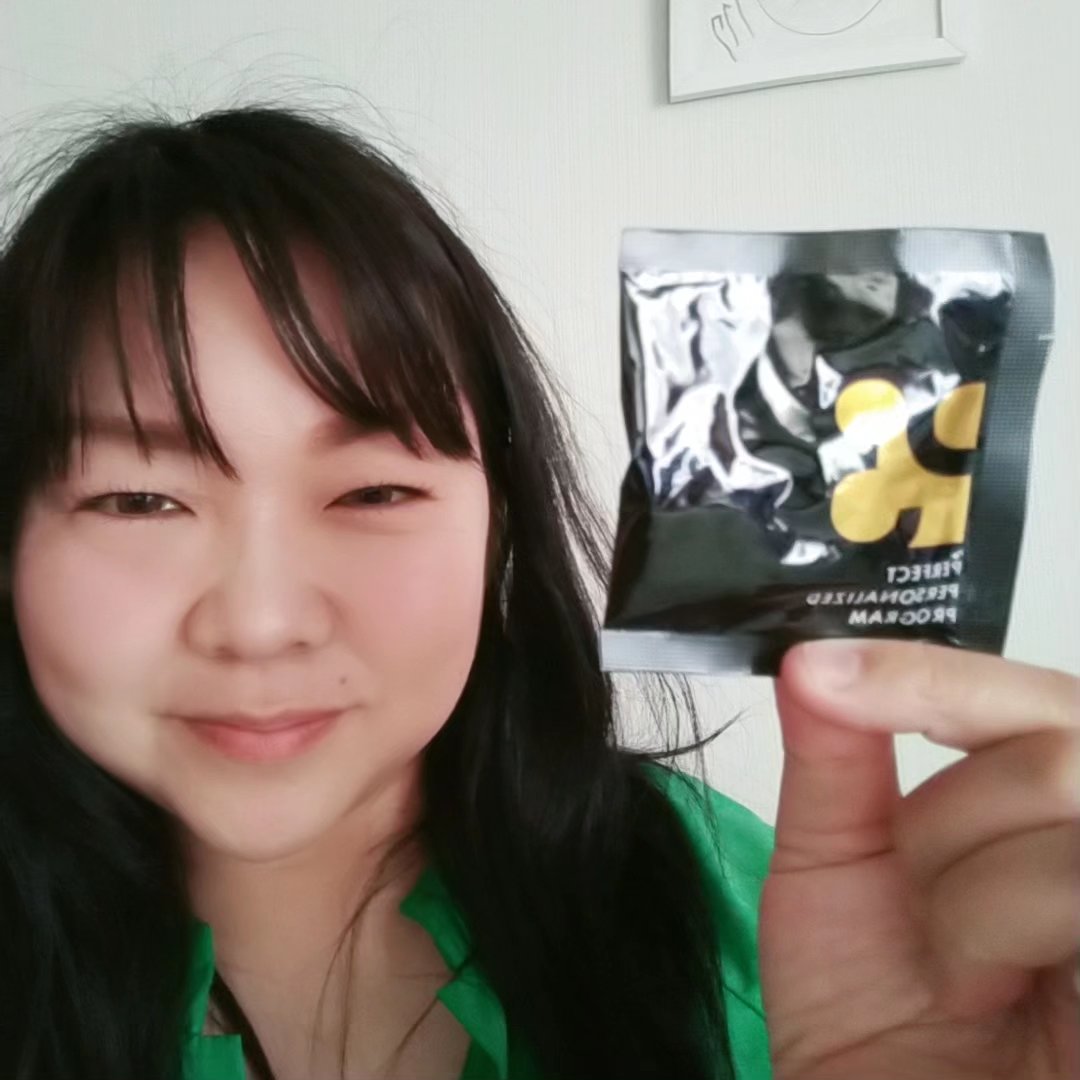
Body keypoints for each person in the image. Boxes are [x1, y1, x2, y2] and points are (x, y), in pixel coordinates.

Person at [0, 104, 1075, 1080]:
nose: (263, 623)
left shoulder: (739, 910)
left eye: (374, 491)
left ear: (500, 523)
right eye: (138, 501)